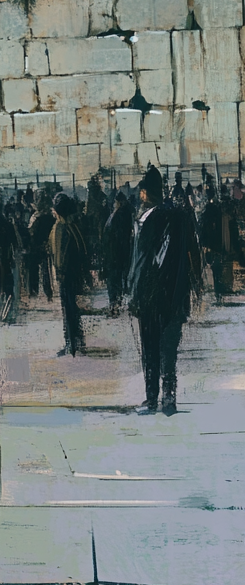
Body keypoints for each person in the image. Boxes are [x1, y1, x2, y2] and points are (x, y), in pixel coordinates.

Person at [128, 164, 201, 415]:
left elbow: (140, 263)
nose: (140, 196)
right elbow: (193, 252)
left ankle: (151, 399)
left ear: (147, 193)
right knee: (169, 350)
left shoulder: (146, 220)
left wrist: (134, 295)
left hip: (150, 295)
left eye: (142, 192)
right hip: (176, 294)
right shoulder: (180, 216)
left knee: (150, 348)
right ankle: (169, 398)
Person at [49, 193, 89, 356]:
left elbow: (60, 255)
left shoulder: (61, 228)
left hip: (66, 275)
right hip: (73, 274)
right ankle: (76, 342)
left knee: (69, 309)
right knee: (73, 309)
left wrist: (60, 273)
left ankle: (71, 344)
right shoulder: (72, 226)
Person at [101, 191, 133, 315]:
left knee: (113, 280)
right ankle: (116, 303)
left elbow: (114, 235)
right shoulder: (125, 214)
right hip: (119, 252)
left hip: (114, 252)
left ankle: (114, 305)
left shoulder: (118, 215)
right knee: (117, 279)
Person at [26, 190, 55, 301]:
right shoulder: (51, 217)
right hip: (46, 246)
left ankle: (35, 292)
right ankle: (48, 293)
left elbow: (31, 232)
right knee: (46, 270)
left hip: (37, 246)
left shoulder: (36, 217)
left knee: (38, 270)